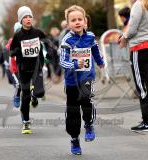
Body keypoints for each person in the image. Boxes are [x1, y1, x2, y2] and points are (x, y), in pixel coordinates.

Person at [60, 5, 104, 155]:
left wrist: (100, 61)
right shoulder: (67, 41)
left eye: (80, 19)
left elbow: (95, 50)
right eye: (73, 20)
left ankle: (89, 124)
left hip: (87, 78)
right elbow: (62, 62)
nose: (77, 22)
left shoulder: (90, 37)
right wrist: (73, 64)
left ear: (85, 21)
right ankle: (74, 139)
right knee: (73, 112)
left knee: (87, 103)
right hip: (72, 81)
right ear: (68, 24)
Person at [10, 6, 51, 134]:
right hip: (23, 69)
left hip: (37, 66)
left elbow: (47, 44)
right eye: (25, 17)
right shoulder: (18, 36)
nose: (28, 19)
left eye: (30, 17)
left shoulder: (38, 33)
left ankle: (36, 94)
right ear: (21, 21)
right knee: (25, 96)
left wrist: (48, 54)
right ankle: (26, 123)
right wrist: (19, 50)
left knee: (40, 93)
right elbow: (11, 52)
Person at [119, 0, 148, 132]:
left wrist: (123, 37)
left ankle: (147, 121)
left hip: (139, 48)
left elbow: (132, 28)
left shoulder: (139, 5)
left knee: (141, 86)